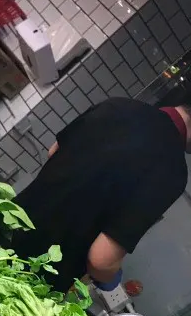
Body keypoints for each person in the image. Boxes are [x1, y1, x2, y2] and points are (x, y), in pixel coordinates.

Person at [10, 97, 191, 293]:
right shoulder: (173, 172)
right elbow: (100, 261)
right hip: (32, 276)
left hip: (8, 225)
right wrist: (110, 275)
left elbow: (54, 152)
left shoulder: (117, 105)